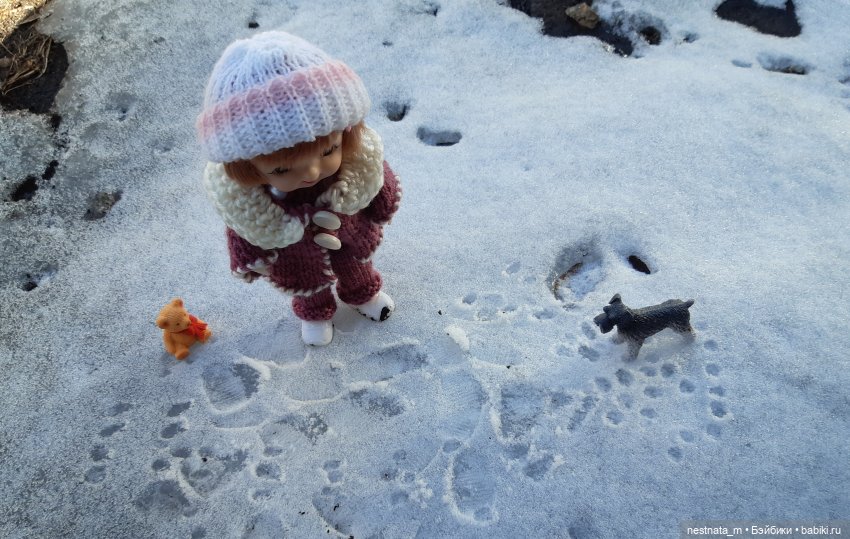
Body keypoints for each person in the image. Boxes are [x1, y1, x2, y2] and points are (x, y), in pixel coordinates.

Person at [196, 31, 401, 346]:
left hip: (350, 236)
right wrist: (249, 257)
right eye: (282, 169)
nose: (314, 172)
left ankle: (362, 294)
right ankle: (316, 314)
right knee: (309, 285)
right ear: (247, 168)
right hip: (295, 255)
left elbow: (375, 179)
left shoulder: (355, 166)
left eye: (329, 151)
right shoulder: (254, 206)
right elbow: (244, 231)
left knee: (356, 265)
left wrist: (380, 199)